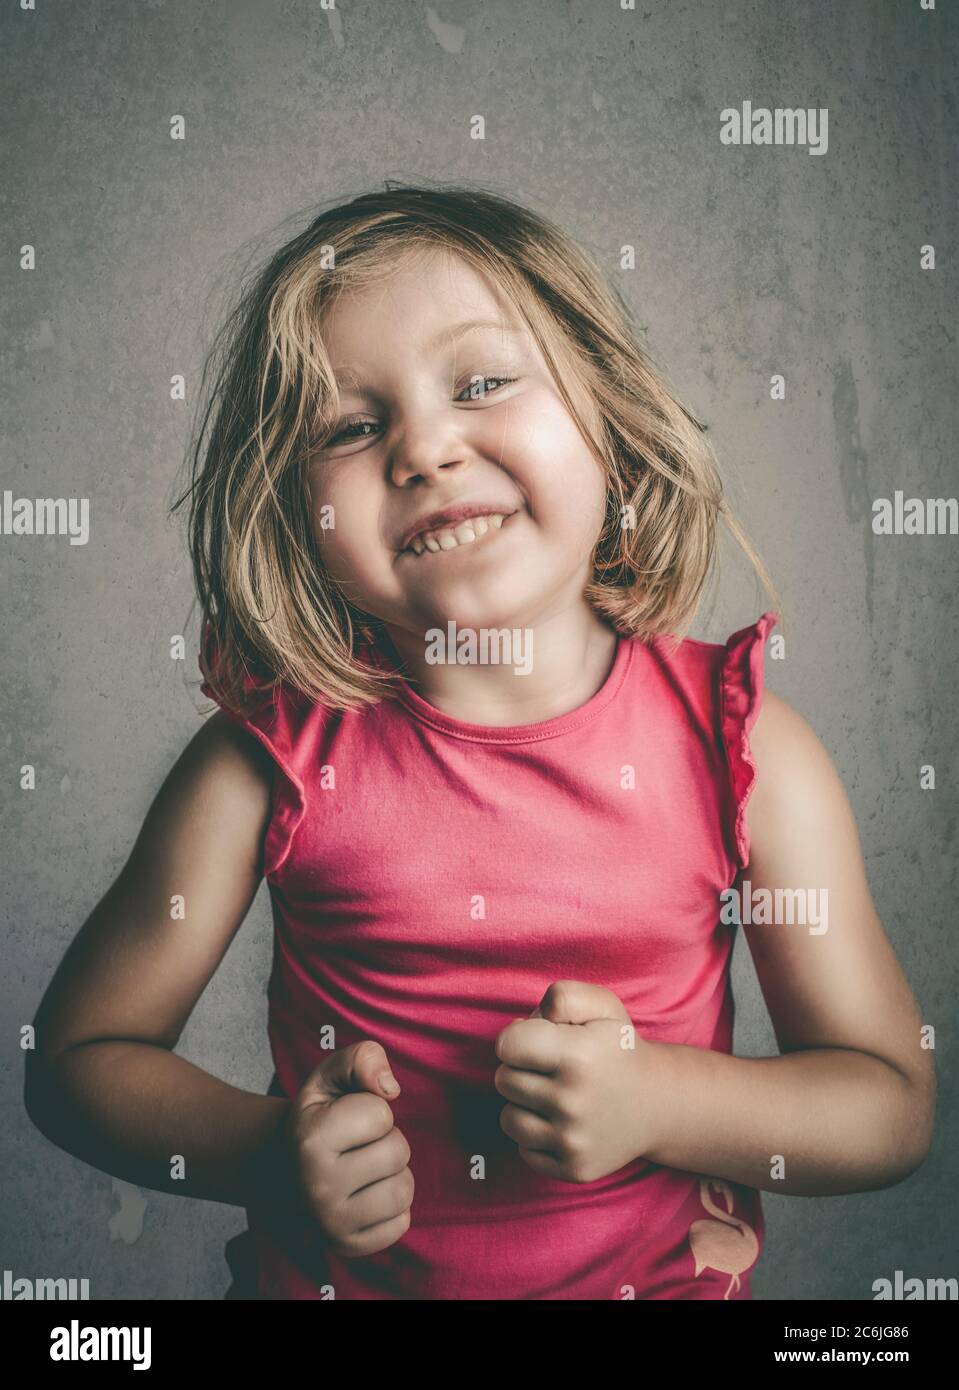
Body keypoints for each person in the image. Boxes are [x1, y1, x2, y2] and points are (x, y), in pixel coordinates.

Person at [24, 185, 936, 1301]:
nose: (423, 448)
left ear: (607, 417)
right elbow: (72, 1064)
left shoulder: (743, 751)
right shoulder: (260, 763)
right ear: (290, 513)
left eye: (483, 382)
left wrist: (657, 1100)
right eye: (351, 427)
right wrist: (264, 1153)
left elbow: (887, 1105)